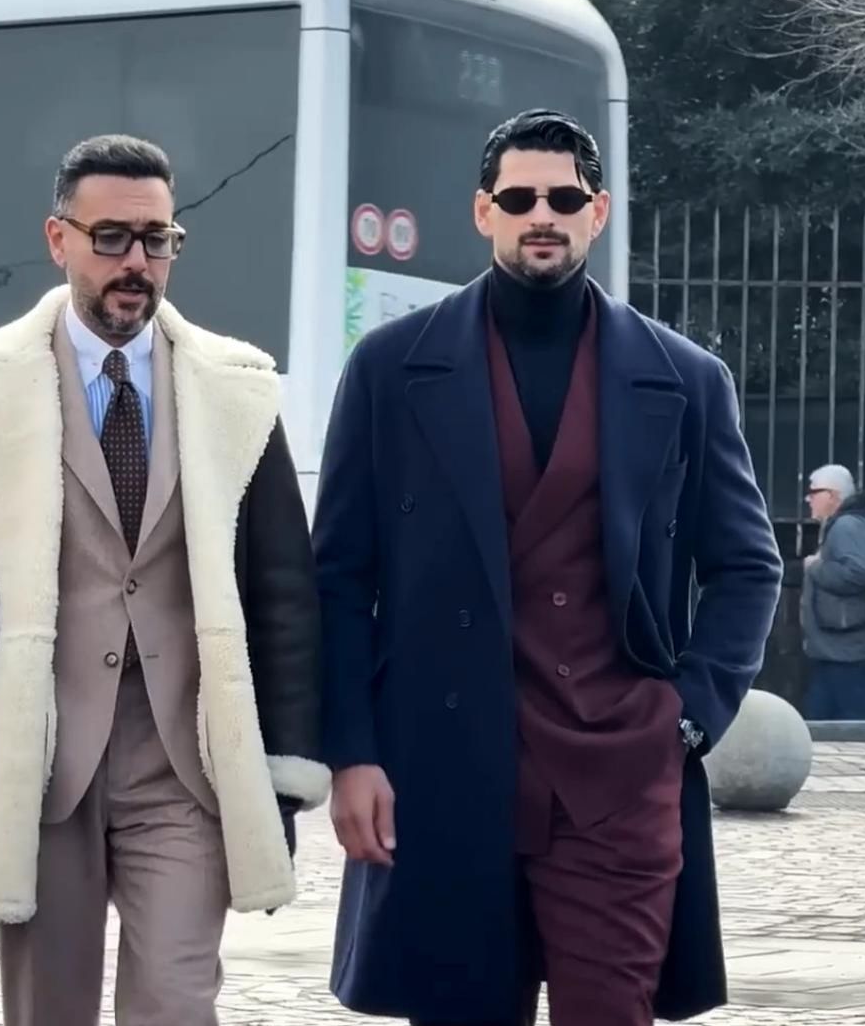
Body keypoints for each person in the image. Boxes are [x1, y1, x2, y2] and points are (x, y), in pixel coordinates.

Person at [313, 110, 783, 1026]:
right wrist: (352, 754)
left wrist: (686, 717)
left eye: (565, 199)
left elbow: (747, 565)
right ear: (483, 210)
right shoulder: (389, 368)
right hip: (444, 767)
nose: (543, 215)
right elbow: (337, 578)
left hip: (619, 770)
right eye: (520, 197)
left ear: (597, 212)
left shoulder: (687, 378)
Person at [0, 133, 327, 1026]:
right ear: (59, 239)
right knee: (47, 1010)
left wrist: (281, 771)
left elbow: (284, 588)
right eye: (112, 237)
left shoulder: (236, 389)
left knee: (176, 1002)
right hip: (39, 766)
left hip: (186, 765)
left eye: (157, 239)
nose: (137, 262)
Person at [800, 463, 865, 719]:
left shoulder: (847, 526)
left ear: (832, 495)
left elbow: (862, 573)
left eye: (814, 492)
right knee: (825, 723)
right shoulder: (844, 525)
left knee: (850, 725)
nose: (808, 499)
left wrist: (815, 567)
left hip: (849, 651)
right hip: (840, 649)